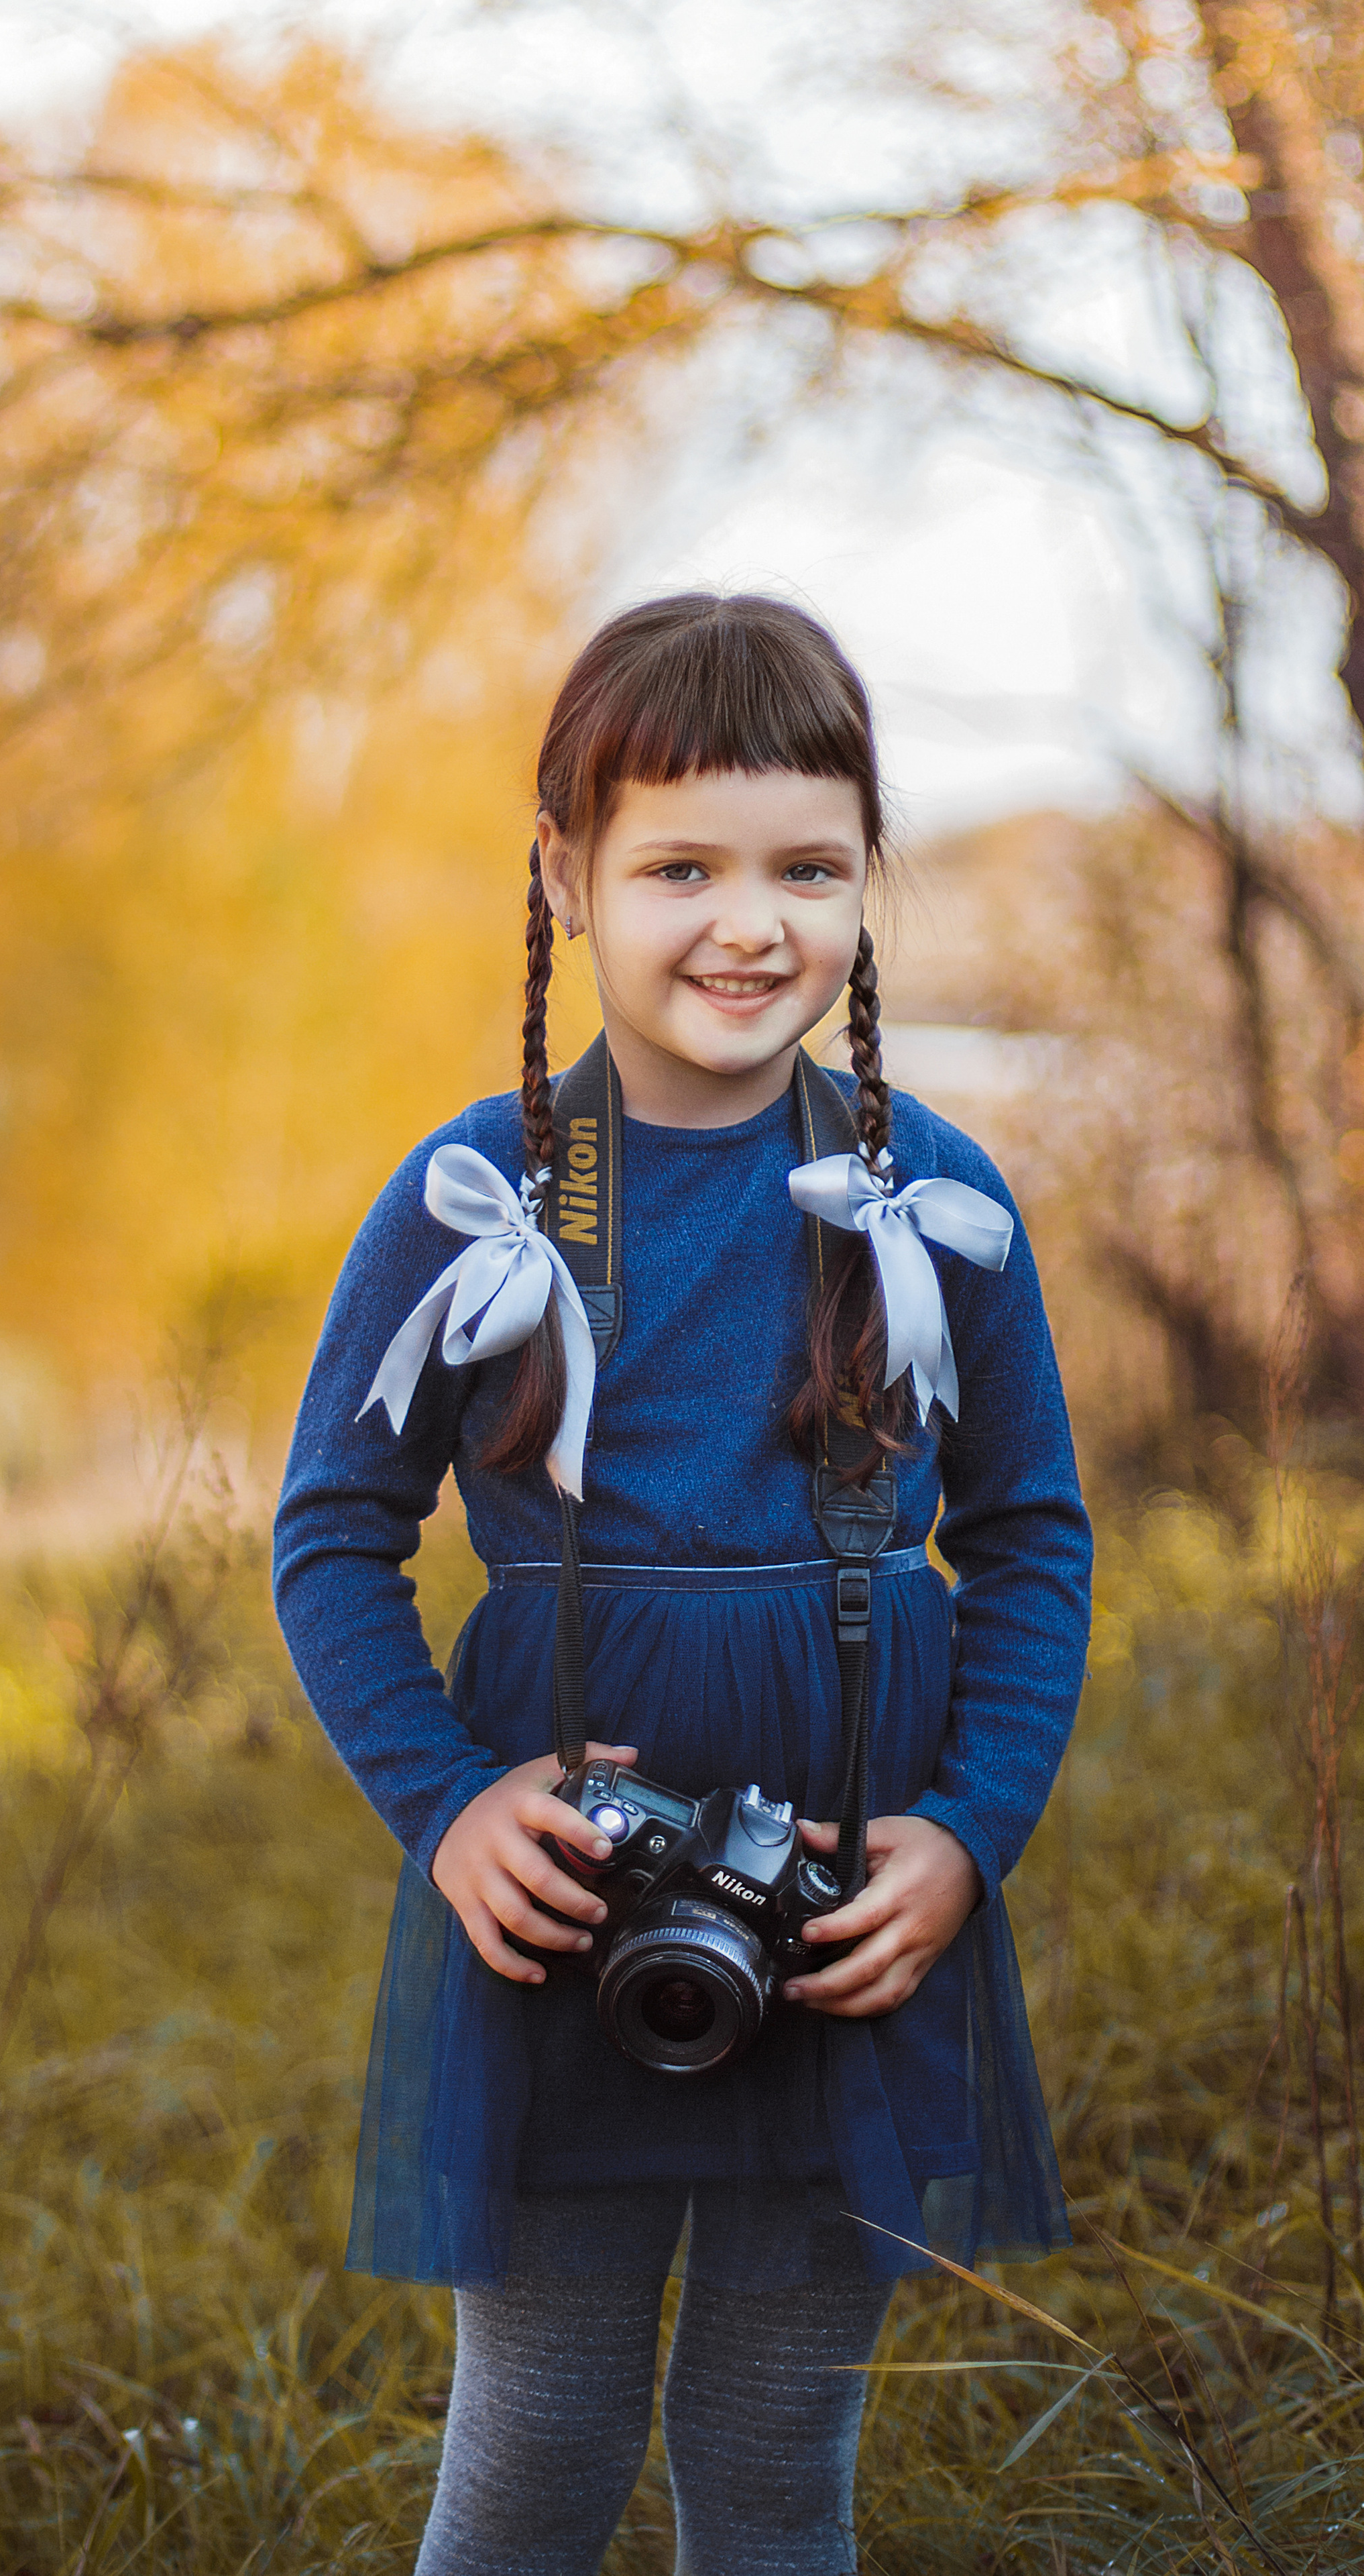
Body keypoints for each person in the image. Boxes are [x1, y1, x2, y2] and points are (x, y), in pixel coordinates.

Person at [272, 592, 1092, 2576]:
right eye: (682, 867)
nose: (752, 923)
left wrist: (966, 1838)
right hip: (565, 1908)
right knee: (540, 2447)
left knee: (773, 2453)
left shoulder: (933, 1204)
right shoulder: (481, 1194)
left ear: (866, 884)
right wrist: (449, 1806)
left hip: (846, 1921)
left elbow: (1032, 1535)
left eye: (810, 866)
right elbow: (332, 1532)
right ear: (566, 874)